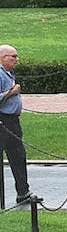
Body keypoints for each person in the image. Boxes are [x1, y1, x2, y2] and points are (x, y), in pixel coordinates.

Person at [0, 45, 39, 205]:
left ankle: (23, 192)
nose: (17, 59)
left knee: (18, 156)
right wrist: (12, 92)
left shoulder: (8, 73)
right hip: (3, 121)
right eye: (13, 56)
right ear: (3, 58)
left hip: (13, 121)